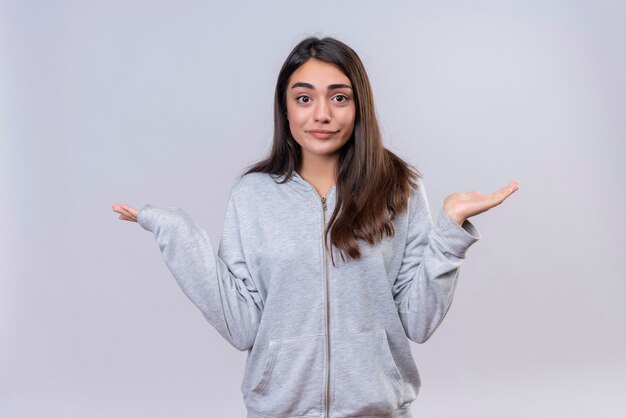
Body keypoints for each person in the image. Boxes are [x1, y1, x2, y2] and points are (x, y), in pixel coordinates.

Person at [112, 36, 518, 418]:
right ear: (285, 107)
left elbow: (419, 322)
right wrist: (178, 233)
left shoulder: (400, 187)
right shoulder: (252, 196)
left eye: (339, 98)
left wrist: (451, 231)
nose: (321, 114)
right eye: (304, 98)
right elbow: (241, 325)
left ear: (359, 106)